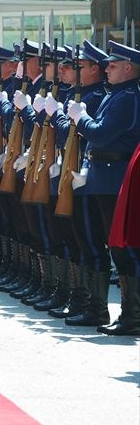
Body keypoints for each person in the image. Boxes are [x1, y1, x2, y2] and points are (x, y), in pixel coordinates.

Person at [67, 41, 140, 335]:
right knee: (115, 247)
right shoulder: (118, 95)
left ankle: (132, 315)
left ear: (128, 68)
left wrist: (79, 118)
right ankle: (120, 312)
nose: (106, 69)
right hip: (104, 177)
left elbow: (100, 134)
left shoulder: (127, 98)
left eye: (111, 65)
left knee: (124, 249)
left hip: (116, 179)